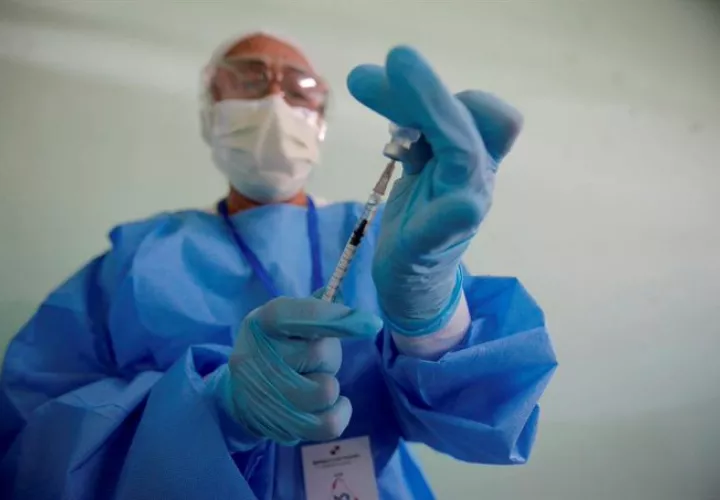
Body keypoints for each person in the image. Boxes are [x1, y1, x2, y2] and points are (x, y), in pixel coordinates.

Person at [0, 32, 557, 499]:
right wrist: (213, 410)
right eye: (248, 79)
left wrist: (430, 312)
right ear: (210, 111)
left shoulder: (385, 237)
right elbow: (35, 439)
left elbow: (484, 426)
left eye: (297, 88)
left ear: (320, 121)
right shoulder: (139, 258)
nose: (274, 98)